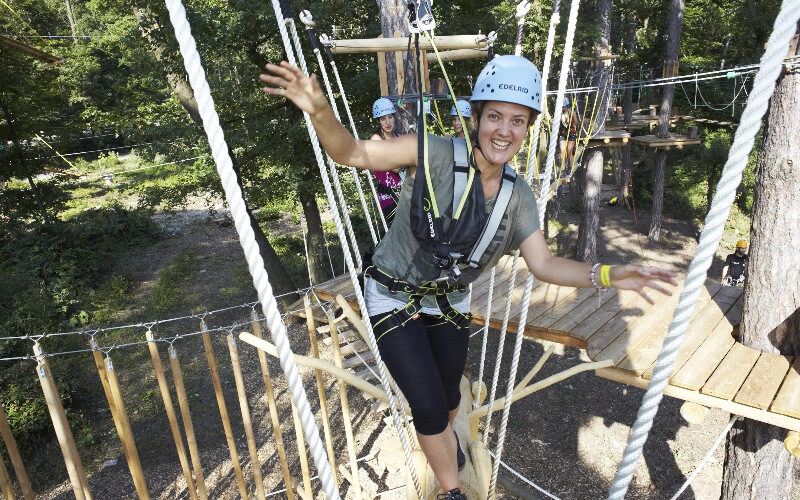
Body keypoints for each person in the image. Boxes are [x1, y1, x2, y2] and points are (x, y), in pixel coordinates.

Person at [260, 55, 676, 500]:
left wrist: (609, 273)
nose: (504, 130)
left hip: (449, 301)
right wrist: (320, 110)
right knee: (427, 405)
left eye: (517, 121)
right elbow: (353, 153)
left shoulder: (517, 197)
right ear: (476, 118)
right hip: (392, 294)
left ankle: (447, 438)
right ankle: (453, 491)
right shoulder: (433, 153)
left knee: (448, 397)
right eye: (495, 116)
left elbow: (544, 264)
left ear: (527, 128)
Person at [369, 97, 405, 225]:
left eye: (390, 117)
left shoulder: (398, 137)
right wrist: (406, 158)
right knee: (399, 229)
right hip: (388, 195)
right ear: (378, 121)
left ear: (394, 117)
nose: (388, 122)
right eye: (383, 119)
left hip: (403, 191)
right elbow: (395, 167)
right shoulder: (376, 139)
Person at [558, 97, 581, 174]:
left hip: (571, 133)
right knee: (562, 151)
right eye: (562, 107)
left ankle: (570, 167)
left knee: (569, 151)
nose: (562, 108)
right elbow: (555, 123)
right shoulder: (559, 113)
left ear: (567, 106)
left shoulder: (572, 112)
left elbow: (576, 123)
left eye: (564, 107)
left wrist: (574, 121)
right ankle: (563, 169)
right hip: (562, 133)